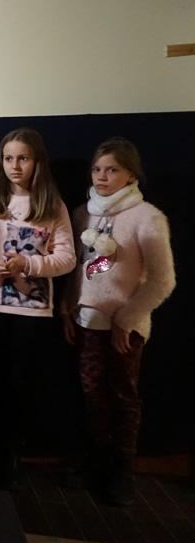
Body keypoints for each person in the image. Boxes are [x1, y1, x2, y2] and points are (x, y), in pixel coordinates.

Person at [60, 138, 175, 505]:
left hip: (126, 328)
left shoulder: (148, 217)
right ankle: (96, 461)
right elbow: (77, 269)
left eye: (112, 170)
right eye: (97, 169)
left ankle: (122, 470)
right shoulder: (82, 214)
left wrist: (126, 319)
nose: (103, 176)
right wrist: (68, 307)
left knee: (123, 395)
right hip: (87, 321)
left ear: (130, 175)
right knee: (91, 394)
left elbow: (162, 280)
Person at [0, 127, 75, 490]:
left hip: (32, 313)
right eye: (8, 158)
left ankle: (9, 460)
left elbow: (68, 258)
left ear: (37, 161)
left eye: (23, 158)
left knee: (19, 388)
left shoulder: (52, 205)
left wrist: (28, 264)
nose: (15, 166)